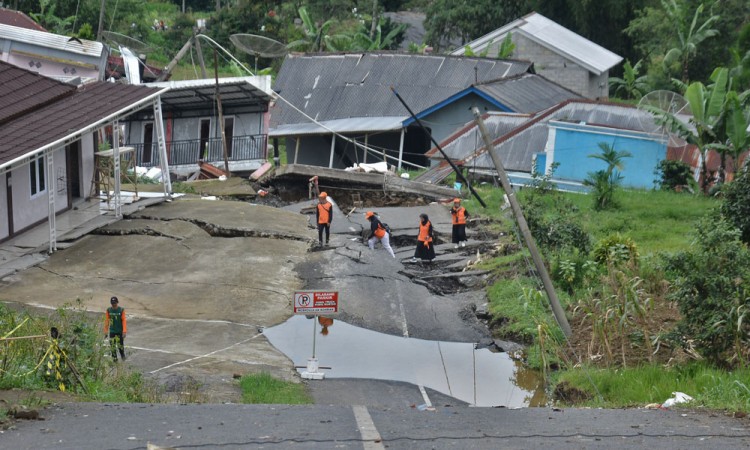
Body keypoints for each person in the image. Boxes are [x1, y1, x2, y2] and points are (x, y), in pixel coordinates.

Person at [104, 296, 127, 361]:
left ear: (117, 303)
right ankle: (114, 358)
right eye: (112, 303)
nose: (114, 305)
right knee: (112, 346)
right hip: (112, 331)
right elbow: (107, 321)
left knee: (120, 345)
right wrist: (105, 331)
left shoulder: (121, 310)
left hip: (119, 331)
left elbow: (124, 320)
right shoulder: (109, 310)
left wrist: (124, 331)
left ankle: (122, 355)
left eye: (115, 303)